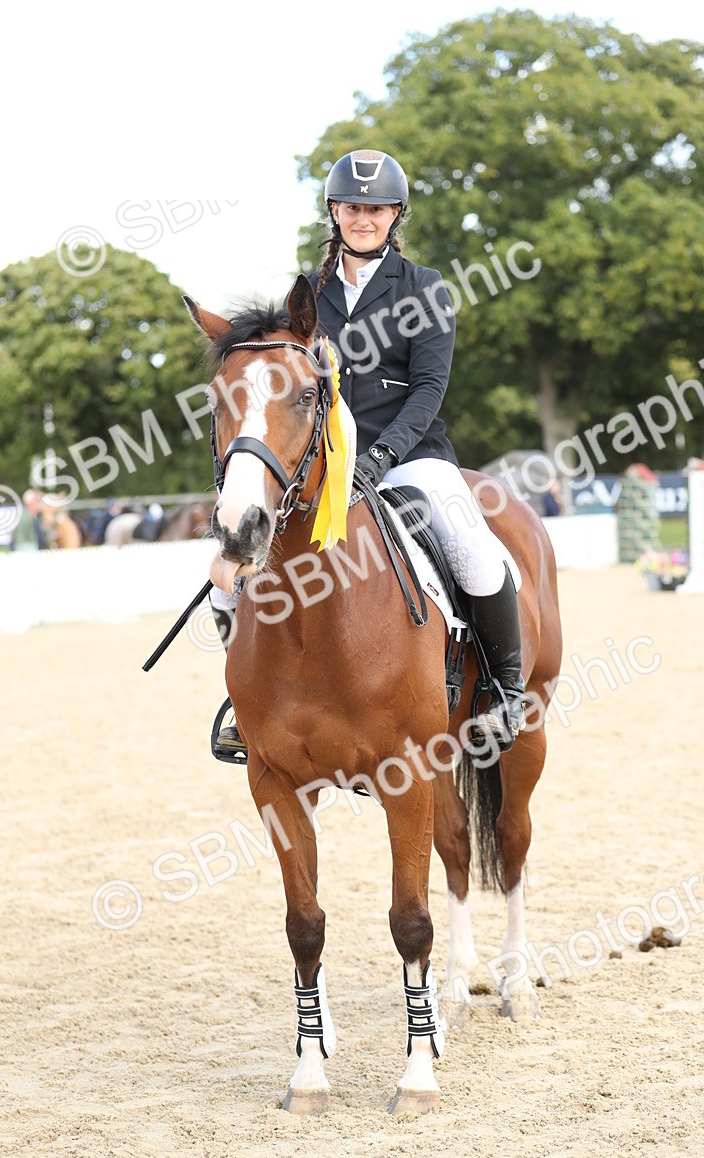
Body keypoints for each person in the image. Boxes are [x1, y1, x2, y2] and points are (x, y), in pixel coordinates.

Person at [213, 149, 526, 756]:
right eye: (354, 207)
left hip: (411, 454)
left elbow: (429, 389)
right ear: (335, 212)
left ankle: (504, 691)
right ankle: (247, 701)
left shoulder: (425, 288)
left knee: (472, 545)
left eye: (376, 208)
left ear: (393, 215)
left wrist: (383, 456)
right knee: (231, 566)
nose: (364, 218)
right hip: (323, 460)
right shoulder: (308, 296)